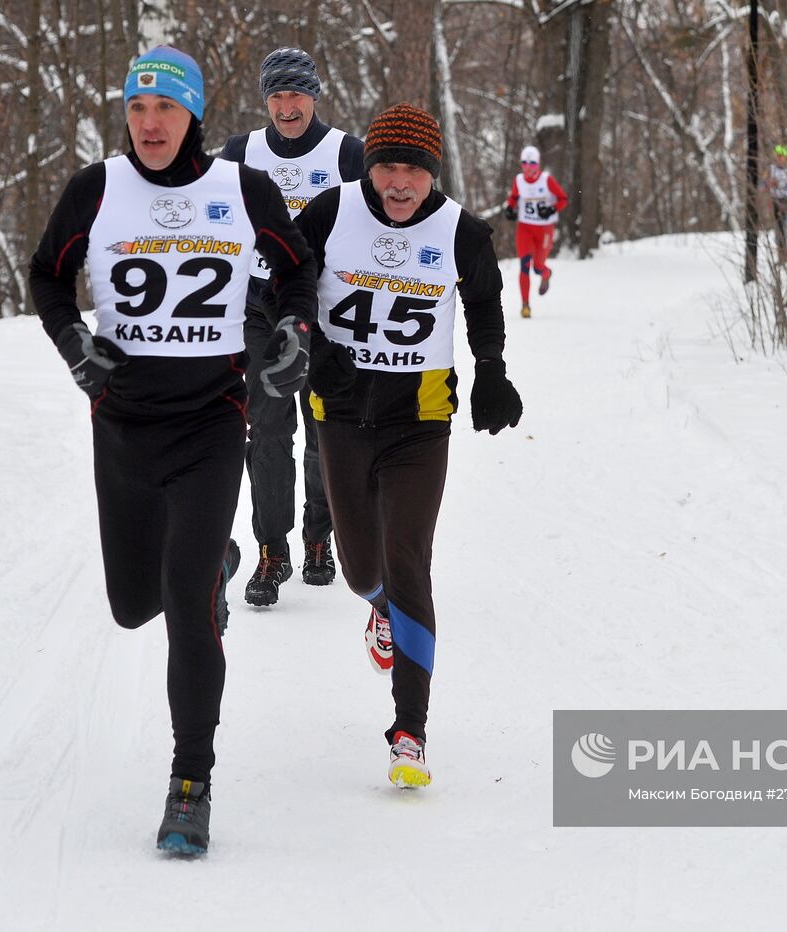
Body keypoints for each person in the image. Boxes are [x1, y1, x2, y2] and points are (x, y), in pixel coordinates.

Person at [29, 46, 317, 854]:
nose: (149, 124)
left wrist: (295, 328)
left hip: (213, 421)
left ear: (192, 115)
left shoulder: (242, 188)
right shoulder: (96, 190)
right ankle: (215, 561)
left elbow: (299, 271)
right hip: (122, 422)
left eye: (165, 108)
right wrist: (73, 341)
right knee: (133, 605)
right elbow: (46, 277)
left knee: (186, 612)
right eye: (135, 108)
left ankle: (191, 781)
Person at [295, 103, 522, 787]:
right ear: (370, 167)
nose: (399, 183)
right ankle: (377, 609)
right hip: (338, 410)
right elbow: (284, 280)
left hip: (420, 419)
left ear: (433, 173)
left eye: (414, 170)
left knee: (410, 560)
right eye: (387, 166)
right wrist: (311, 343)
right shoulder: (329, 214)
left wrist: (493, 371)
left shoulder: (462, 233)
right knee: (364, 569)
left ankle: (409, 731)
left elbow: (483, 303)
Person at [218, 47, 365, 607]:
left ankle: (319, 539)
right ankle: (272, 550)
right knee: (270, 430)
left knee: (323, 427)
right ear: (266, 99)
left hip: (326, 312)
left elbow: (377, 221)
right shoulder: (241, 152)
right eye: (276, 95)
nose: (286, 106)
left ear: (314, 95)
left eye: (296, 94)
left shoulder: (346, 153)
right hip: (260, 308)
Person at [502, 144, 568, 318]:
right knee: (524, 265)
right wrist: (510, 208)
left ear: (537, 164)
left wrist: (552, 209)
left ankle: (546, 273)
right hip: (525, 228)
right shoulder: (519, 180)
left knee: (538, 267)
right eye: (524, 163)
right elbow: (514, 197)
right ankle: (525, 305)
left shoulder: (546, 180)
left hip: (545, 230)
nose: (528, 167)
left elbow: (563, 199)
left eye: (532, 163)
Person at [760, 144, 787, 261]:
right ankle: (782, 254)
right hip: (776, 201)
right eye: (778, 156)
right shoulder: (771, 169)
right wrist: (769, 183)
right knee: (779, 228)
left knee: (786, 227)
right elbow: (762, 185)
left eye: (782, 156)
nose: (779, 159)